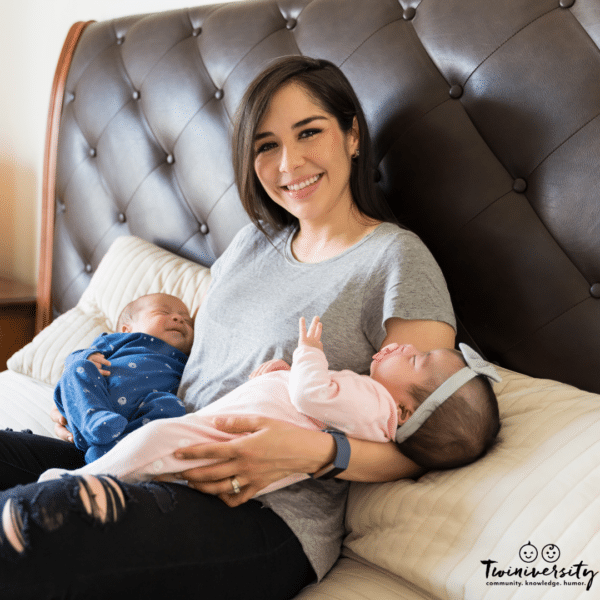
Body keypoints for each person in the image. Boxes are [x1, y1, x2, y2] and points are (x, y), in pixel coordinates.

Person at [0, 56, 457, 600]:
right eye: (266, 145)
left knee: (25, 525)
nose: (290, 163)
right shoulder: (250, 244)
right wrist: (97, 392)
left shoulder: (396, 259)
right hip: (156, 451)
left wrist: (312, 452)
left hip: (259, 511)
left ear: (352, 134)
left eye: (309, 132)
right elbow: (198, 365)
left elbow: (432, 433)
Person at [39, 317, 500, 486]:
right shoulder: (373, 401)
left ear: (404, 412)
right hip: (202, 417)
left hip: (233, 447)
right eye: (266, 145)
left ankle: (85, 481)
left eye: (415, 359)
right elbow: (313, 400)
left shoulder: (377, 405)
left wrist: (308, 354)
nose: (401, 348)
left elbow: (310, 395)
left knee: (157, 443)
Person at [53, 293, 193, 463]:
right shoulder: (119, 341)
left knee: (171, 405)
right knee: (78, 367)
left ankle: (112, 450)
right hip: (94, 400)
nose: (179, 319)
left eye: (188, 321)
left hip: (138, 415)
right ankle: (94, 420)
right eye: (163, 312)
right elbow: (74, 359)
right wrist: (87, 357)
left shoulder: (187, 361)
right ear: (127, 330)